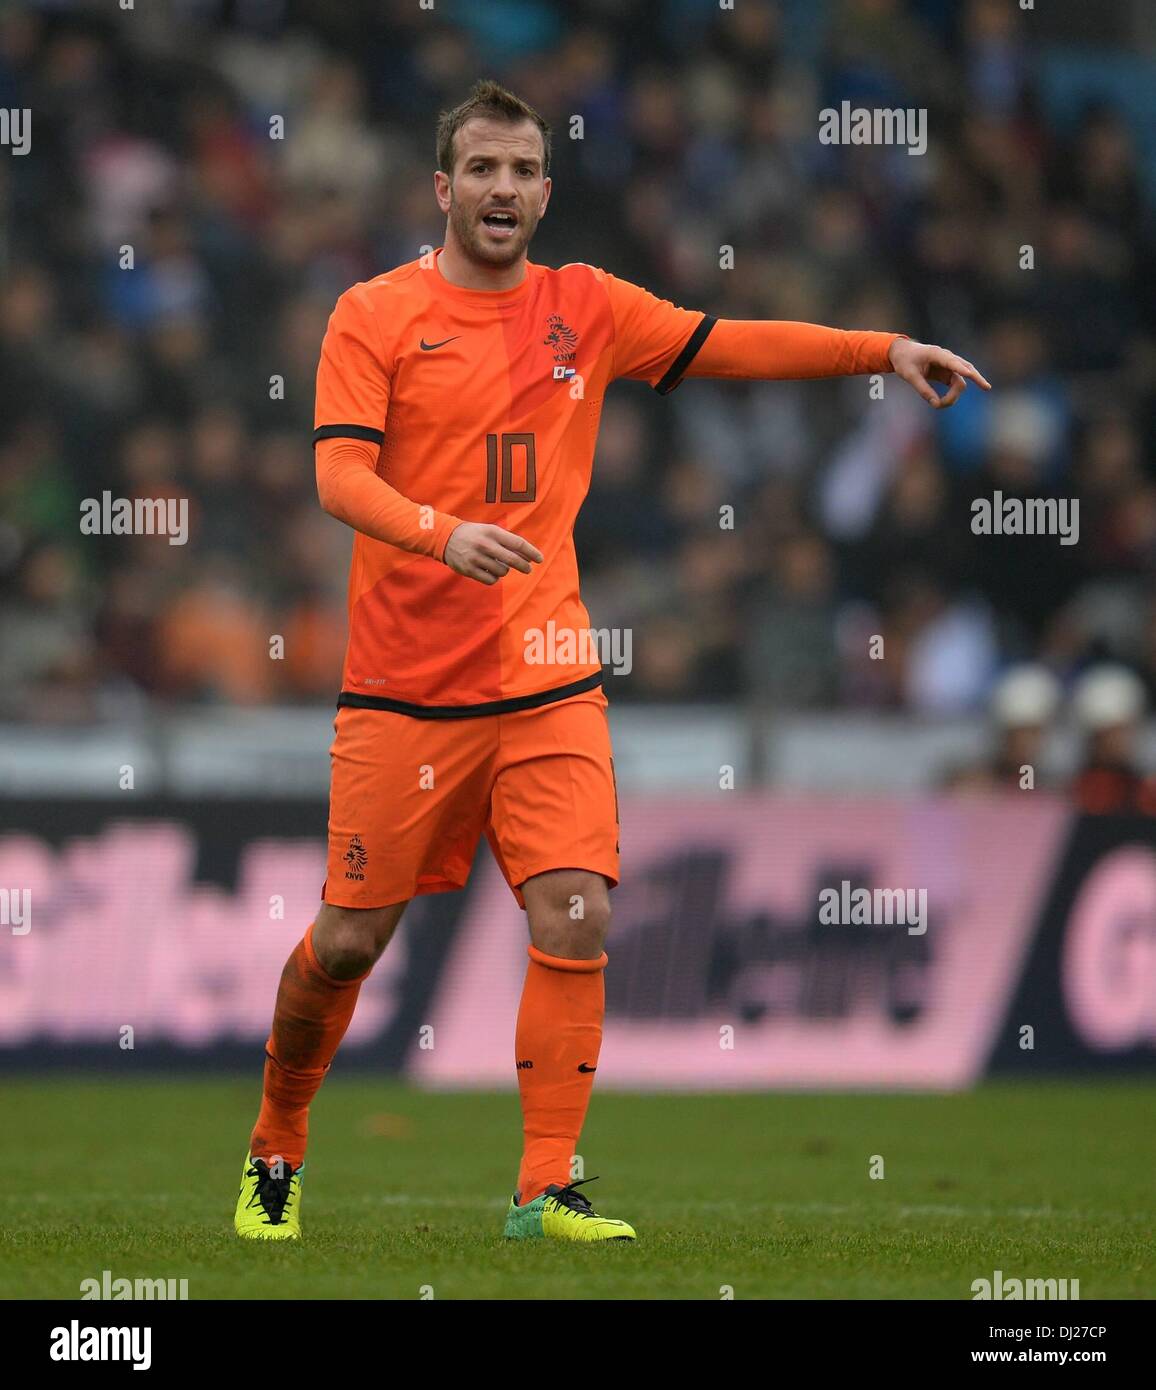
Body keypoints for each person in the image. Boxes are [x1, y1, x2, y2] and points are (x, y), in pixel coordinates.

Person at [233, 78, 990, 1243]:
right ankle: (276, 1145)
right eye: (480, 168)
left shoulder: (584, 305)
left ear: (546, 188)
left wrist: (878, 348)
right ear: (443, 189)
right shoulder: (371, 314)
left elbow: (727, 343)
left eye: (522, 170)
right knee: (347, 940)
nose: (501, 188)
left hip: (548, 679)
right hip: (404, 693)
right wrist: (442, 532)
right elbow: (338, 477)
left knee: (576, 912)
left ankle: (546, 1186)